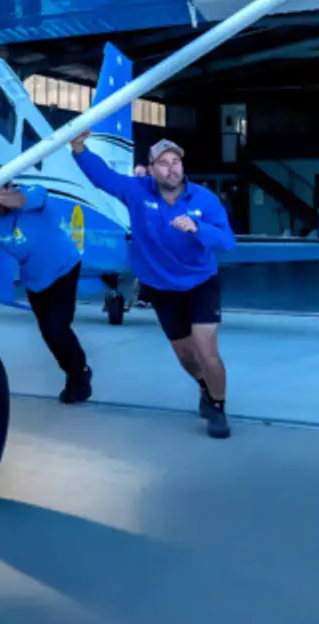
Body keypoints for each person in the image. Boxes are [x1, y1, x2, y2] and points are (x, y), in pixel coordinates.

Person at [68, 134, 237, 438]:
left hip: (200, 282)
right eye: (163, 163)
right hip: (161, 287)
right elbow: (103, 177)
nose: (172, 169)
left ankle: (218, 407)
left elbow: (227, 242)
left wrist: (198, 228)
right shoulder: (137, 191)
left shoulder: (203, 199)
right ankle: (204, 387)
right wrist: (79, 149)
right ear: (151, 168)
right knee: (185, 355)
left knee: (206, 350)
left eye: (176, 162)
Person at [0, 170, 92, 404]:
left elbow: (21, 201)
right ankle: (73, 370)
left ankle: (79, 373)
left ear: (9, 185)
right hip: (33, 278)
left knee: (57, 328)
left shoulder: (31, 192)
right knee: (48, 333)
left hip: (63, 267)